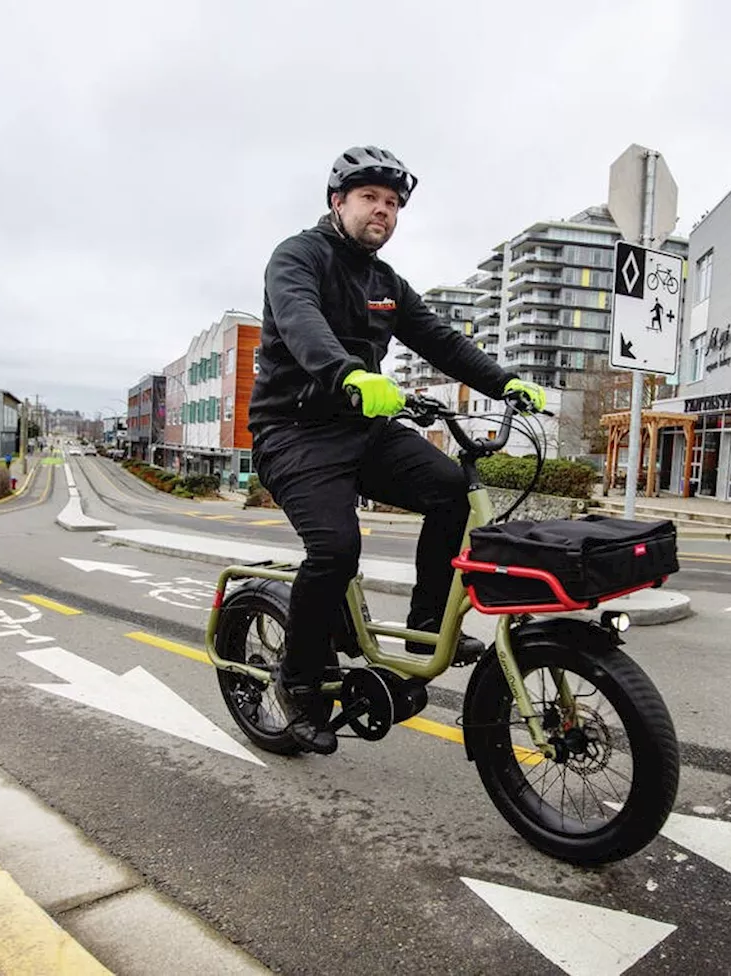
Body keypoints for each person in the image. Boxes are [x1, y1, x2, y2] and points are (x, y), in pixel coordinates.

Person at [247, 145, 547, 755]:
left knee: (451, 494)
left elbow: (438, 337)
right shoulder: (297, 257)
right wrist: (348, 373)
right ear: (339, 202)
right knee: (335, 549)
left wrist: (504, 381)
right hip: (293, 431)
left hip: (364, 430)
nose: (381, 211)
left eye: (391, 203)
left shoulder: (386, 282)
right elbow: (302, 322)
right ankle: (300, 685)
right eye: (369, 199)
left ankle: (423, 631)